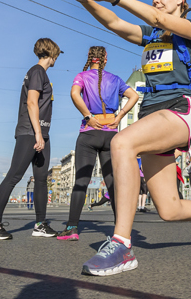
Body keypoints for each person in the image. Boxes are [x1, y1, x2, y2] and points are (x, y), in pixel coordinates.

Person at [69, 0, 191, 276]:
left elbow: (157, 16)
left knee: (122, 143)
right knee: (169, 210)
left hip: (179, 110)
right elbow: (116, 25)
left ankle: (121, 244)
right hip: (151, 113)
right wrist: (86, 1)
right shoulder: (153, 35)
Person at [58, 46, 139, 241]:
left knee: (81, 181)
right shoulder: (115, 78)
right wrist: (119, 117)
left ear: (89, 58)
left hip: (89, 132)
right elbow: (134, 96)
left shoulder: (82, 76)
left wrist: (87, 115)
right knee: (112, 182)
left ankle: (72, 228)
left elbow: (74, 94)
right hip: (110, 134)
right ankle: (121, 231)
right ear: (105, 59)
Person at [0, 38, 61, 240]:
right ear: (52, 54)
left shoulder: (41, 73)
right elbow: (31, 102)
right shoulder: (37, 71)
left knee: (41, 179)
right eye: (57, 55)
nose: (57, 60)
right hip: (30, 132)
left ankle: (40, 224)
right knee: (14, 176)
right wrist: (37, 133)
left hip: (41, 132)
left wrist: (42, 134)